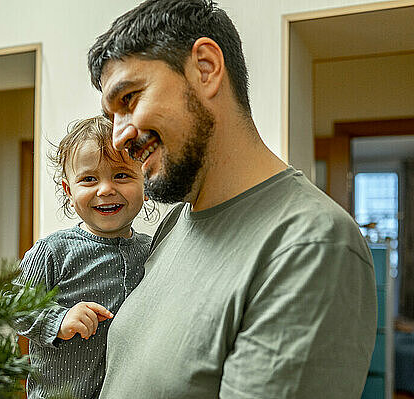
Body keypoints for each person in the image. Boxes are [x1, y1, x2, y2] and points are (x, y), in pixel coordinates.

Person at [87, 1, 377, 398]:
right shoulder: (176, 223)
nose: (118, 135)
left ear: (205, 68)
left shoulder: (312, 244)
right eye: (111, 116)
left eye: (130, 99)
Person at [14, 116, 152, 399]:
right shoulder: (53, 251)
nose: (105, 189)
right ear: (69, 191)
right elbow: (12, 306)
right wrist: (58, 320)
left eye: (121, 175)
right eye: (89, 179)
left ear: (146, 183)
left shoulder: (154, 250)